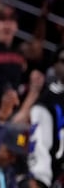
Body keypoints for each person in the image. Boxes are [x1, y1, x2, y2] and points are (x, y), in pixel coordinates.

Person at [27, 47, 64, 188]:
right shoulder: (49, 99)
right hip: (53, 176)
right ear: (55, 66)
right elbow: (40, 143)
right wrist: (40, 180)